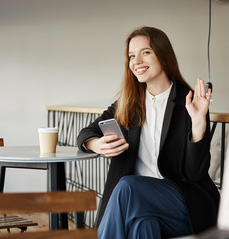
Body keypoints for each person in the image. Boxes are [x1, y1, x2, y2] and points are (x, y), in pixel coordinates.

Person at [77, 26, 220, 238]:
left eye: (146, 52)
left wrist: (198, 124)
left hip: (182, 202)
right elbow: (86, 133)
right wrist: (96, 144)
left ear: (163, 54)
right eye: (132, 56)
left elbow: (194, 174)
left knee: (127, 186)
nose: (136, 61)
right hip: (140, 203)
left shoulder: (190, 103)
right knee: (142, 225)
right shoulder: (128, 104)